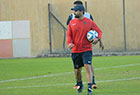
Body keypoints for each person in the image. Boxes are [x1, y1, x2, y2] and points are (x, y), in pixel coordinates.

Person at [67, 4, 102, 95]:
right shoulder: (72, 23)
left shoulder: (89, 22)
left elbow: (99, 31)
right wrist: (69, 43)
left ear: (82, 11)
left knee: (87, 67)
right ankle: (80, 84)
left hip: (86, 49)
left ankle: (89, 88)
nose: (74, 13)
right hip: (75, 50)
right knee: (77, 70)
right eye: (74, 11)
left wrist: (97, 39)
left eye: (76, 11)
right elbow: (69, 35)